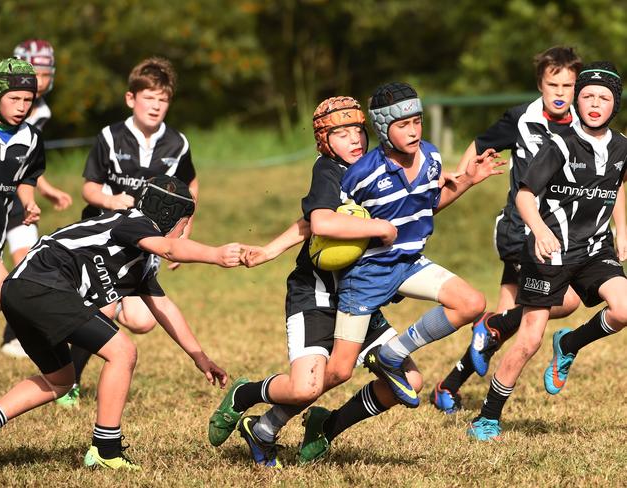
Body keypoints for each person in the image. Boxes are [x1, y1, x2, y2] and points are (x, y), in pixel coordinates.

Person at [0, 176, 239, 469]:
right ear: (171, 218)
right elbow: (170, 249)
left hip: (17, 291)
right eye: (185, 224)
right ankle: (106, 449)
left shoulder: (138, 256)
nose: (184, 232)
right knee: (123, 352)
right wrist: (215, 254)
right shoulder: (133, 223)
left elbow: (163, 306)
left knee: (59, 380)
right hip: (45, 285)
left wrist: (200, 357)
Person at [208, 96, 414, 468]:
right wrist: (271, 251)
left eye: (358, 131)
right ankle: (245, 394)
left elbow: (417, 204)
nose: (354, 140)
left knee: (409, 383)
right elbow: (316, 221)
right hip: (316, 294)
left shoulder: (375, 169)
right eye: (341, 133)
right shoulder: (328, 170)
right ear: (324, 140)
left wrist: (462, 181)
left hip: (359, 297)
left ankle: (324, 426)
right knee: (307, 386)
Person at [467, 62, 627, 441]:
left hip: (594, 249)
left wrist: (622, 228)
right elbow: (524, 195)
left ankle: (569, 343)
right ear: (577, 99)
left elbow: (618, 186)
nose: (594, 103)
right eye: (587, 95)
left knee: (624, 308)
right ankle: (487, 416)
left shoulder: (622, 146)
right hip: (550, 251)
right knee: (528, 340)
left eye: (603, 98)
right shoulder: (559, 144)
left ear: (614, 105)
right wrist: (538, 231)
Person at [430, 46, 589, 413]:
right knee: (565, 300)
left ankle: (448, 386)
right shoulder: (521, 118)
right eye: (554, 84)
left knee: (504, 324)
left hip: (557, 235)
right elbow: (480, 144)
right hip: (523, 232)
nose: (561, 92)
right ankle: (491, 329)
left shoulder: (584, 123)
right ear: (540, 84)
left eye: (568, 84)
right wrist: (460, 172)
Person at [331, 82, 504, 412]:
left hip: (408, 262)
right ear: (383, 128)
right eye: (402, 124)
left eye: (417, 121)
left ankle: (391, 354)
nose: (413, 131)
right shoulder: (360, 175)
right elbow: (332, 223)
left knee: (471, 303)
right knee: (338, 371)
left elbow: (427, 206)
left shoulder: (432, 157)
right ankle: (270, 418)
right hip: (366, 275)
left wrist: (467, 180)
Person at [62, 57, 199, 406]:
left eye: (163, 99)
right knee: (102, 310)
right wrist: (112, 200)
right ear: (130, 99)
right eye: (149, 97)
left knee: (141, 321)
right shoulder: (110, 137)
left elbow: (189, 188)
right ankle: (69, 382)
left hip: (144, 245)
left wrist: (182, 233)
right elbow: (89, 188)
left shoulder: (177, 144)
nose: (155, 106)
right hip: (103, 240)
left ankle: (101, 308)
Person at [1, 38, 73, 358]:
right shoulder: (2, 105)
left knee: (27, 264)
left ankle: (13, 337)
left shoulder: (42, 110)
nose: (41, 81)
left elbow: (26, 159)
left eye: (46, 74)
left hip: (16, 199)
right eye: (35, 73)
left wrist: (43, 189)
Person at [0, 58, 43, 327]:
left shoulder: (32, 139)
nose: (22, 106)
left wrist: (28, 203)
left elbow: (27, 178)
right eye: (14, 98)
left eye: (28, 100)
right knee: (4, 290)